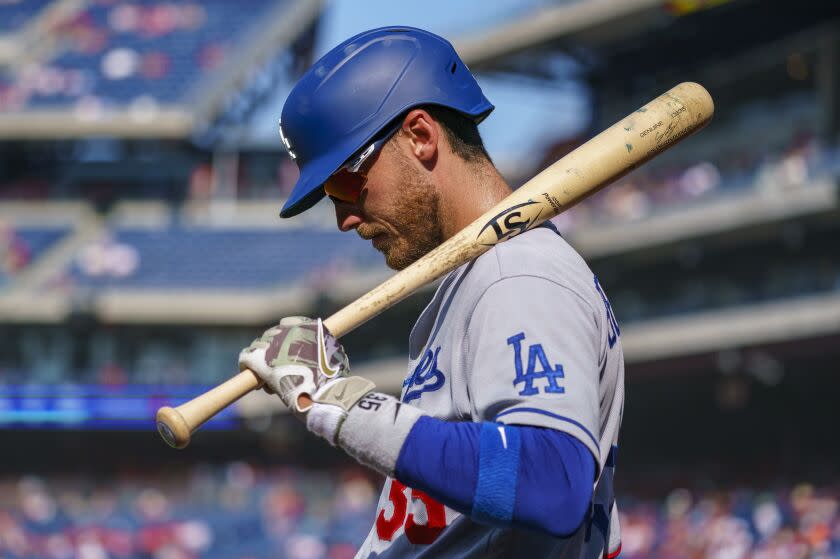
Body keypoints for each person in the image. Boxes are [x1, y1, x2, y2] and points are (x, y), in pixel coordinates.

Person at [239, 27, 624, 558]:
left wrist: (339, 402)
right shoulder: (483, 279)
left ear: (420, 135)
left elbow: (551, 482)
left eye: (345, 182)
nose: (345, 218)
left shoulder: (519, 272)